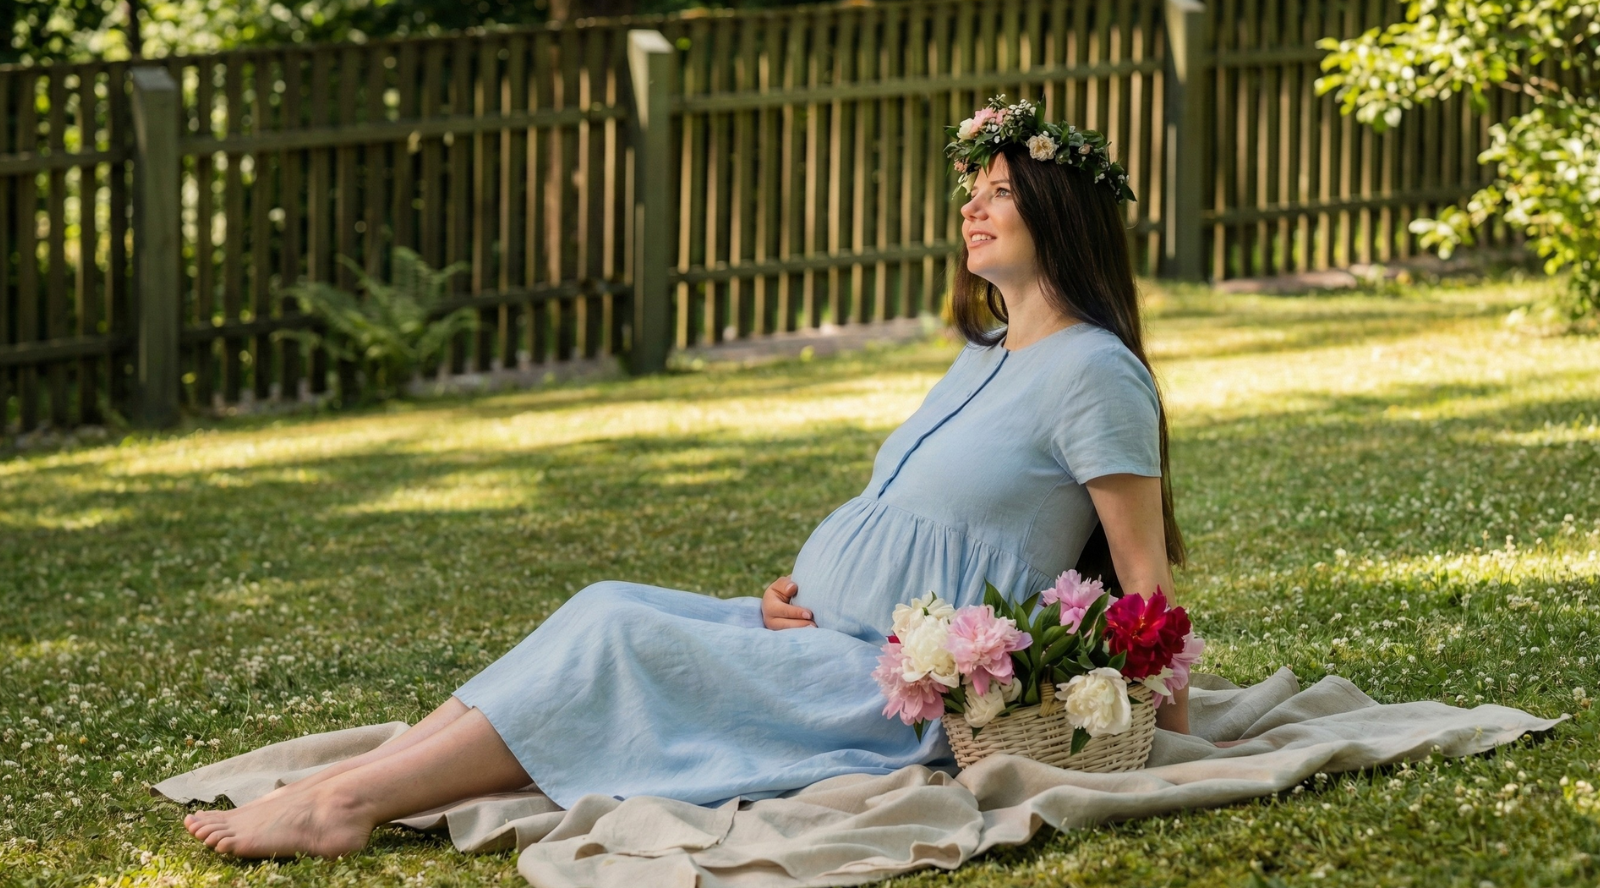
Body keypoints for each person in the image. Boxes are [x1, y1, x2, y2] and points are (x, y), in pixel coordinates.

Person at [181, 98, 1190, 859]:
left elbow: (1141, 572)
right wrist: (809, 583)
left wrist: (1173, 736)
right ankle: (364, 777)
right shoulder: (984, 354)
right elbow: (912, 517)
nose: (971, 207)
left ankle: (347, 806)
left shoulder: (1093, 373)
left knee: (621, 640)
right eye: (970, 192)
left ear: (1058, 211)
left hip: (886, 697)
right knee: (604, 601)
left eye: (999, 191)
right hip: (820, 632)